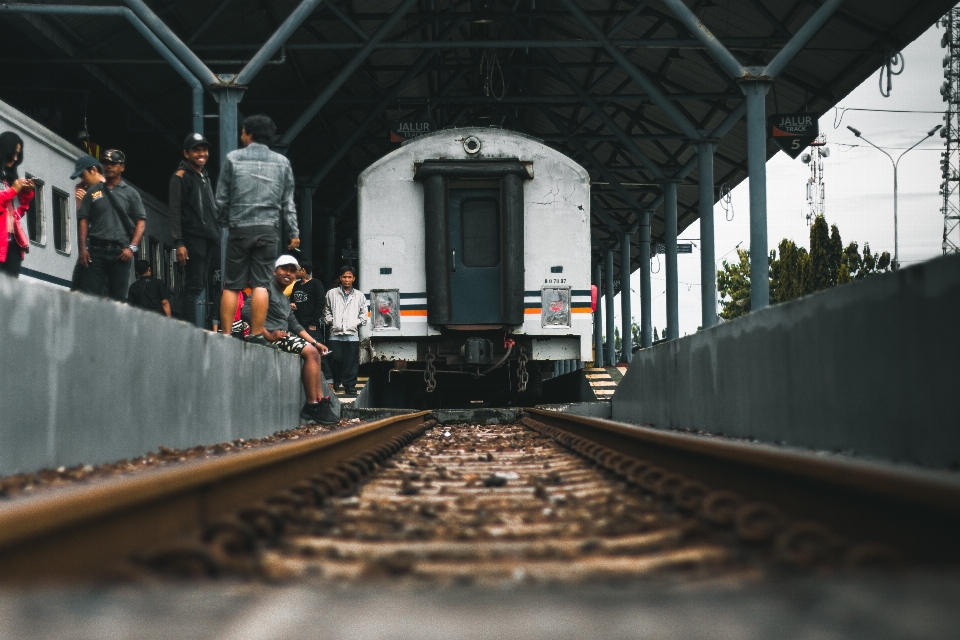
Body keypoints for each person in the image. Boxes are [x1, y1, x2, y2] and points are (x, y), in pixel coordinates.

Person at [216, 115, 299, 345]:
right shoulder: (282, 162)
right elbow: (288, 202)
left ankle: (225, 335)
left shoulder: (233, 158)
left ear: (249, 134)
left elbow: (222, 197)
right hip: (268, 230)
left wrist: (224, 221)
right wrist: (294, 232)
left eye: (242, 132)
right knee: (261, 284)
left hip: (239, 228)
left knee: (232, 284)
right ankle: (256, 334)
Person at [242, 255, 336, 425]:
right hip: (271, 336)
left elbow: (294, 324)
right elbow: (247, 312)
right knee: (311, 353)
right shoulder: (265, 289)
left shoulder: (284, 297)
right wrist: (268, 334)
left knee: (314, 351)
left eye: (293, 271)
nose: (289, 274)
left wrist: (315, 342)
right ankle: (312, 405)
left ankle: (320, 403)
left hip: (285, 335)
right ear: (274, 271)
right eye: (284, 269)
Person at [76, 149, 146, 300]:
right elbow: (83, 220)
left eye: (113, 163)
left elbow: (140, 222)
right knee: (91, 296)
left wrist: (132, 248)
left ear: (122, 167)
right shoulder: (92, 192)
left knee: (118, 298)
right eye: (106, 163)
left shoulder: (131, 193)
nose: (109, 166)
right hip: (95, 251)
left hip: (120, 254)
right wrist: (82, 249)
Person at [169, 133, 221, 327]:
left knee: (198, 285)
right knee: (193, 286)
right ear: (186, 153)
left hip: (207, 238)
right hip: (193, 238)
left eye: (204, 149)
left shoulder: (203, 175)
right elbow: (174, 212)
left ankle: (189, 327)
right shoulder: (180, 177)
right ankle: (188, 329)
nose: (202, 153)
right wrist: (179, 242)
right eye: (196, 149)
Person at [323, 265, 368, 396]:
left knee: (351, 362)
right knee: (334, 359)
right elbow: (326, 310)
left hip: (352, 334)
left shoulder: (359, 296)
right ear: (340, 278)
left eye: (349, 277)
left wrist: (355, 323)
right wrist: (331, 321)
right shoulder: (331, 293)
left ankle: (350, 386)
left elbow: (364, 315)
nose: (347, 279)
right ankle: (336, 381)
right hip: (335, 333)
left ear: (353, 278)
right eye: (344, 277)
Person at [0, 132, 35, 278]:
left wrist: (26, 193)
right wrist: (14, 190)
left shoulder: (9, 178)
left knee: (10, 293)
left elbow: (18, 213)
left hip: (12, 244)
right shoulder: (10, 185)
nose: (15, 159)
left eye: (17, 155)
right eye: (12, 154)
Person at [291, 260, 332, 383]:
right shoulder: (296, 285)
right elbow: (293, 300)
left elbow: (321, 304)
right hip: (298, 325)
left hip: (311, 326)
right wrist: (291, 304)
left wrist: (313, 323)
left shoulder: (316, 283)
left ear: (303, 270)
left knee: (319, 352)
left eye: (296, 270)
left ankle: (328, 380)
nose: (294, 273)